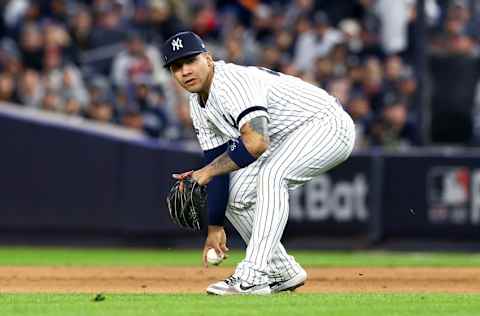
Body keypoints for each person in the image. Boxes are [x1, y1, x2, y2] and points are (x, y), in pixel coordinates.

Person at [161, 31, 356, 295]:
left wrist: (205, 172)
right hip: (286, 137)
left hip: (325, 123)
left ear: (208, 59)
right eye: (177, 67)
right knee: (237, 193)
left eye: (190, 61)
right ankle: (281, 271)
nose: (185, 71)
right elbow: (216, 165)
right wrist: (215, 227)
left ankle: (253, 274)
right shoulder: (198, 103)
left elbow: (256, 143)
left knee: (272, 176)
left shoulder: (230, 83)